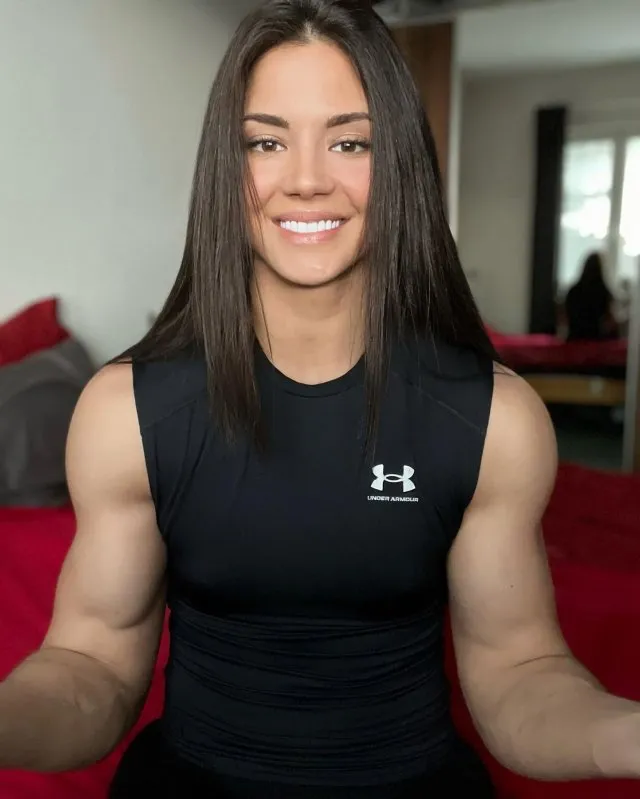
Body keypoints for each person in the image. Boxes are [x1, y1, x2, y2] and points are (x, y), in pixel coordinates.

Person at [2, 1, 640, 796]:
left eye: (350, 142)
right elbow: (90, 661)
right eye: (266, 142)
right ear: (226, 169)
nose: (306, 179)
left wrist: (624, 735)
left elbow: (519, 671)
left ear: (399, 164)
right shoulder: (123, 412)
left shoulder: (496, 421)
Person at [564, 252, 620, 341]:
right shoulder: (603, 292)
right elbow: (609, 320)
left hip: (575, 338)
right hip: (595, 339)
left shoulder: (573, 291)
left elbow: (566, 316)